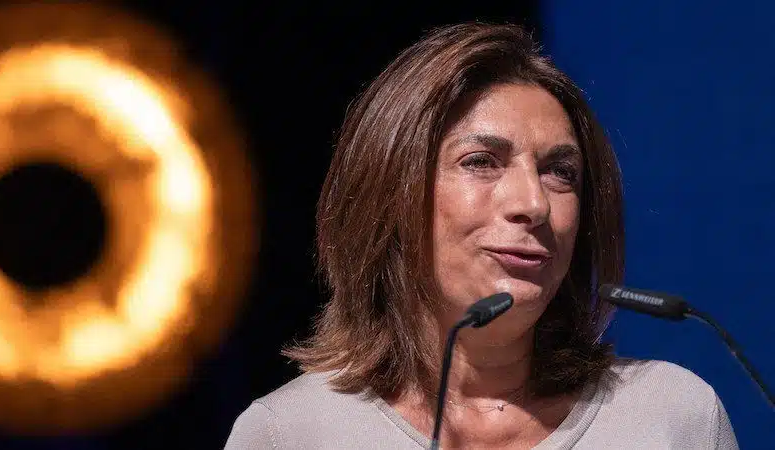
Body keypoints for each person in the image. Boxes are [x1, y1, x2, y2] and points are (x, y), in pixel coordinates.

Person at [224, 22, 738, 449]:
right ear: (390, 193)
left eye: (560, 172)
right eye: (481, 162)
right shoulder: (290, 434)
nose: (534, 204)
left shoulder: (672, 419)